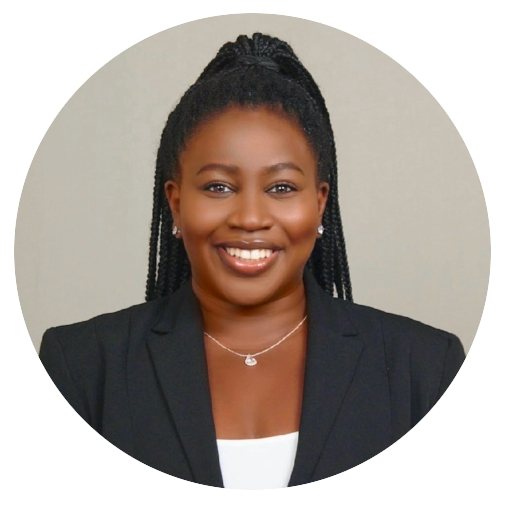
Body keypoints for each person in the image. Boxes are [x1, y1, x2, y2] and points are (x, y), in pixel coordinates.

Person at [39, 33, 472, 490]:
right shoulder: (84, 366)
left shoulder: (422, 367)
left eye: (281, 187)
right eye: (218, 187)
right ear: (176, 203)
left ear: (320, 204)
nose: (250, 217)